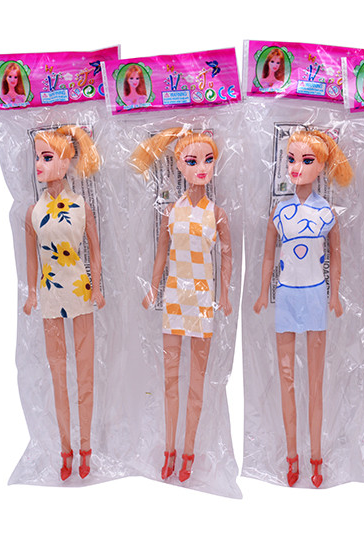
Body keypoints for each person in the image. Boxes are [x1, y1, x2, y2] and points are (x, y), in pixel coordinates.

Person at [131, 128, 233, 482]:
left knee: (197, 382)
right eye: (192, 161)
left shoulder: (216, 213)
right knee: (171, 380)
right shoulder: (171, 212)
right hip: (175, 295)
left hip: (202, 299)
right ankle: (169, 449)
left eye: (208, 160)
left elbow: (227, 255)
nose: (201, 168)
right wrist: (153, 288)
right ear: (178, 165)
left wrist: (224, 294)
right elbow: (161, 253)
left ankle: (188, 450)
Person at [254, 130, 352, 487]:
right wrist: (263, 293)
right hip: (286, 295)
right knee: (287, 378)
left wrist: (335, 294)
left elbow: (336, 257)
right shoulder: (280, 211)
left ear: (322, 166)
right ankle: (292, 455)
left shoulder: (326, 212)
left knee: (315, 381)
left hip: (314, 294)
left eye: (307, 160)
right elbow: (269, 254)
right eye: (292, 159)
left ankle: (316, 456)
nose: (297, 167)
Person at [23, 125, 105, 480]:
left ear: (66, 161)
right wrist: (31, 292)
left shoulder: (81, 206)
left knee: (84, 371)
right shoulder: (34, 211)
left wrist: (97, 288)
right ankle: (65, 448)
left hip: (79, 290)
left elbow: (95, 252)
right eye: (37, 157)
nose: (39, 165)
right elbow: (31, 258)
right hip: (49, 292)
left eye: (47, 156)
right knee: (58, 373)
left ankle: (85, 447)